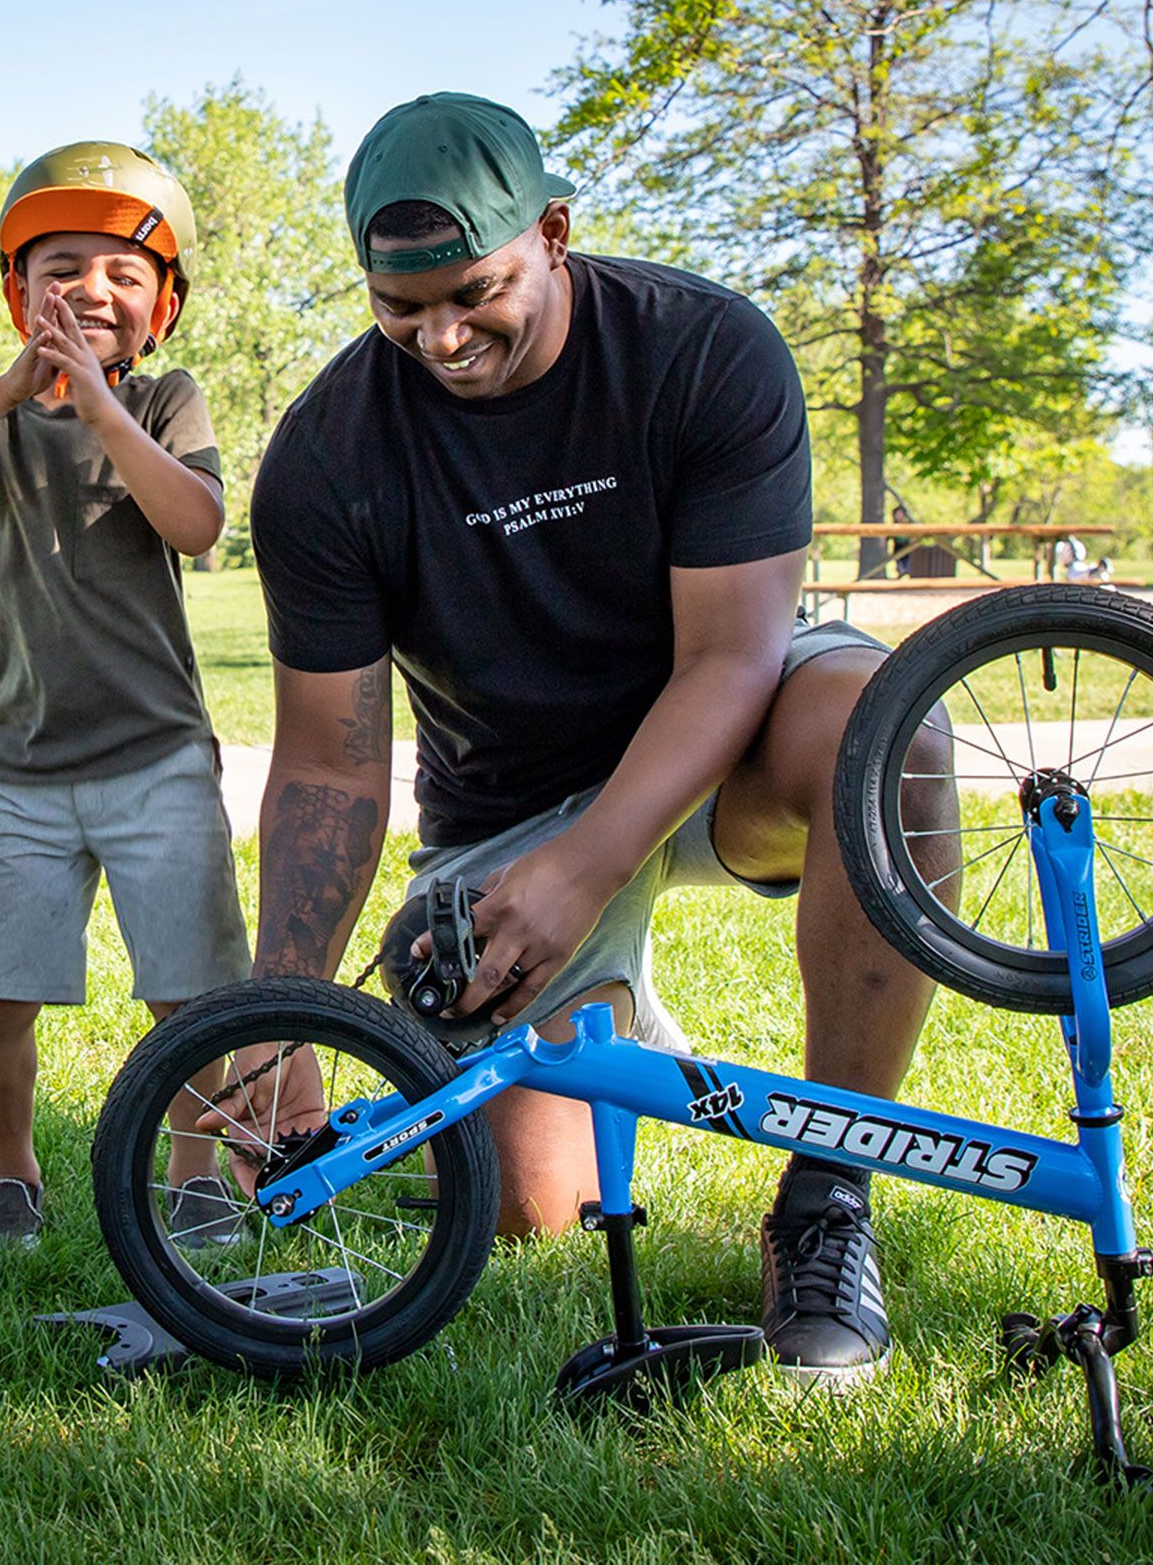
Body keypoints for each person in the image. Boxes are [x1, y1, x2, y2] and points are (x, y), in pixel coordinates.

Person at [232, 92, 954, 1389]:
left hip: (726, 731)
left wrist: (588, 870)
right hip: (505, 806)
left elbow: (730, 657)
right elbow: (330, 765)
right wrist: (284, 1018)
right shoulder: (330, 457)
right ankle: (616, 1019)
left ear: (553, 232)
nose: (441, 338)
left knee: (885, 728)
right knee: (529, 1211)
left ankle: (831, 1197)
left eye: (475, 293)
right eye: (402, 311)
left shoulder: (702, 351)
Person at [0, 142, 251, 1255]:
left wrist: (100, 411)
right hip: (21, 769)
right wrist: (7, 392)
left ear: (161, 306)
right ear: (17, 294)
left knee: (189, 989)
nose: (92, 290)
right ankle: (11, 1176)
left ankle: (195, 1169)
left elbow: (198, 525)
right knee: (4, 991)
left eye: (123, 274)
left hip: (160, 759)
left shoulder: (168, 399)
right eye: (63, 268)